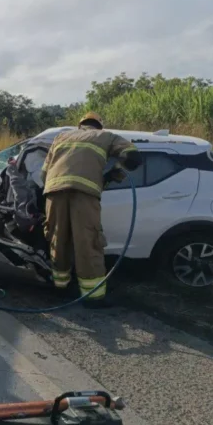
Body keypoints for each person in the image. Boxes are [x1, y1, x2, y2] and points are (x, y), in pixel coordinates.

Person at [40, 112, 142, 309]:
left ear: (80, 126)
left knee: (58, 239)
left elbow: (44, 173)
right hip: (84, 195)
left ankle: (60, 288)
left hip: (53, 192)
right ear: (99, 126)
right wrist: (115, 172)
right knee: (88, 241)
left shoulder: (61, 137)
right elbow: (133, 156)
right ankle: (93, 297)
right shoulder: (106, 136)